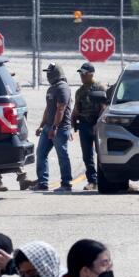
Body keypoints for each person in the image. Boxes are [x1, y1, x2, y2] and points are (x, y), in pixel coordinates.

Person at [31, 63, 75, 192]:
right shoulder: (51, 89)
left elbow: (60, 109)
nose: (48, 75)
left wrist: (54, 128)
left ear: (57, 73)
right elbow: (48, 109)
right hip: (48, 127)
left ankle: (66, 184)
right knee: (41, 153)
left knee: (62, 155)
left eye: (50, 72)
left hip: (59, 129)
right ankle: (42, 183)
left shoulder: (63, 88)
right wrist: (42, 125)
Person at [74, 62, 110, 192]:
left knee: (101, 152)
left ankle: (107, 179)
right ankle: (92, 180)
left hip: (97, 124)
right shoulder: (80, 91)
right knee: (87, 155)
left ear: (90, 74)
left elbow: (104, 108)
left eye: (83, 74)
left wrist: (98, 124)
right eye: (80, 74)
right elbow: (77, 109)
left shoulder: (100, 88)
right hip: (84, 124)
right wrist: (74, 122)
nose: (81, 76)